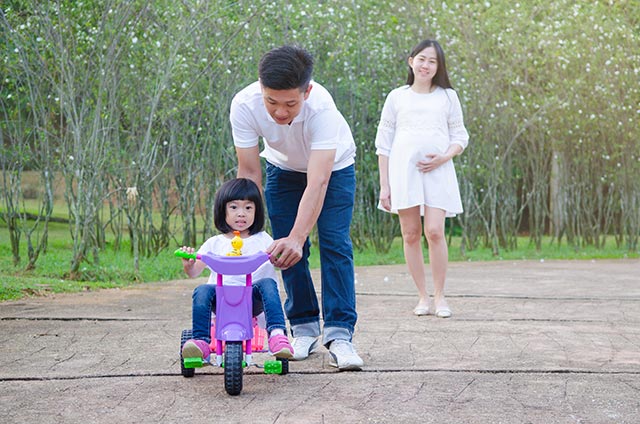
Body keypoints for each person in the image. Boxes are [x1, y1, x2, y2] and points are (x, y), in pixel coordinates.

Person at [230, 45, 363, 370]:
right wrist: (243, 230)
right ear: (261, 88)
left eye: (290, 103)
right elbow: (248, 172)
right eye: (271, 101)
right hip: (282, 169)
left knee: (334, 242)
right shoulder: (243, 105)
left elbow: (318, 180)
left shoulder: (322, 109)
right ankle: (302, 327)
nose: (279, 112)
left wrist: (298, 236)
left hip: (334, 169)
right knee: (283, 248)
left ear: (307, 91)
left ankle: (340, 335)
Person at [375, 39, 469, 318]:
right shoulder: (397, 97)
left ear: (438, 66)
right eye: (422, 59)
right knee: (411, 234)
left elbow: (460, 136)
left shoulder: (447, 96)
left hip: (438, 171)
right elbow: (384, 143)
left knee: (435, 231)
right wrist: (385, 185)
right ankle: (422, 297)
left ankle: (441, 296)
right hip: (403, 173)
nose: (426, 65)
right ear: (411, 60)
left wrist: (443, 157)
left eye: (432, 61)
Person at [178, 178, 294, 361]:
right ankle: (200, 340)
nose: (241, 214)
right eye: (234, 207)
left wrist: (279, 257)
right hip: (221, 299)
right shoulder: (214, 243)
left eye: (248, 208)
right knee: (201, 290)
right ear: (222, 210)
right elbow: (194, 272)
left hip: (253, 301)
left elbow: (280, 260)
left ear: (257, 211)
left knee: (268, 283)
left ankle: (277, 334)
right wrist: (189, 264)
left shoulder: (263, 240)